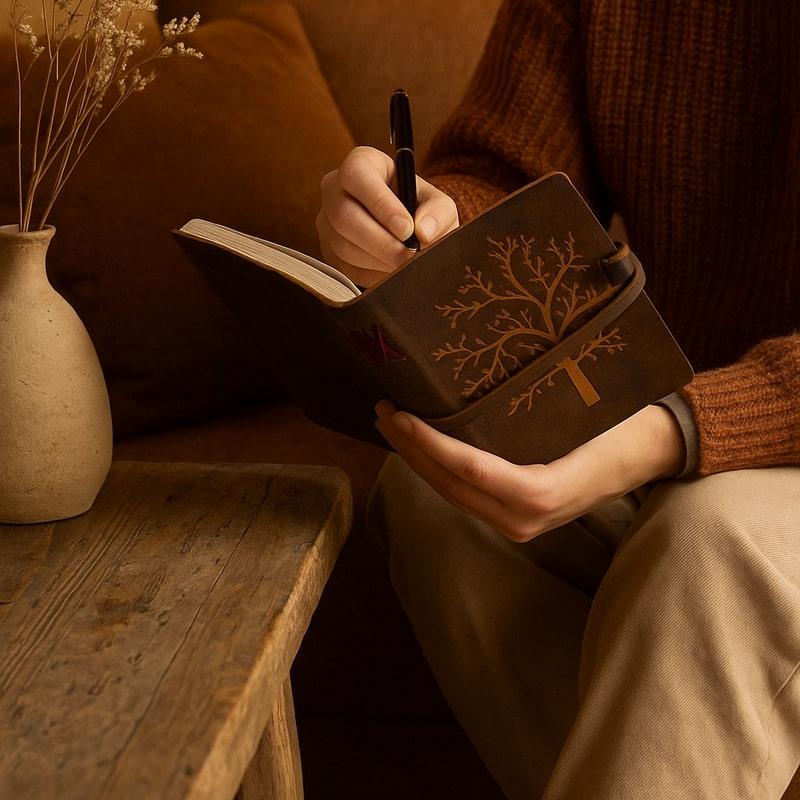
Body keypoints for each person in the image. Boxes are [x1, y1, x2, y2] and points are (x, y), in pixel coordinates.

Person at [315, 1, 800, 797]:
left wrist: (667, 434)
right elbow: (508, 173)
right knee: (438, 501)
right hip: (673, 424)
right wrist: (421, 226)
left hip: (713, 457)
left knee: (710, 547)